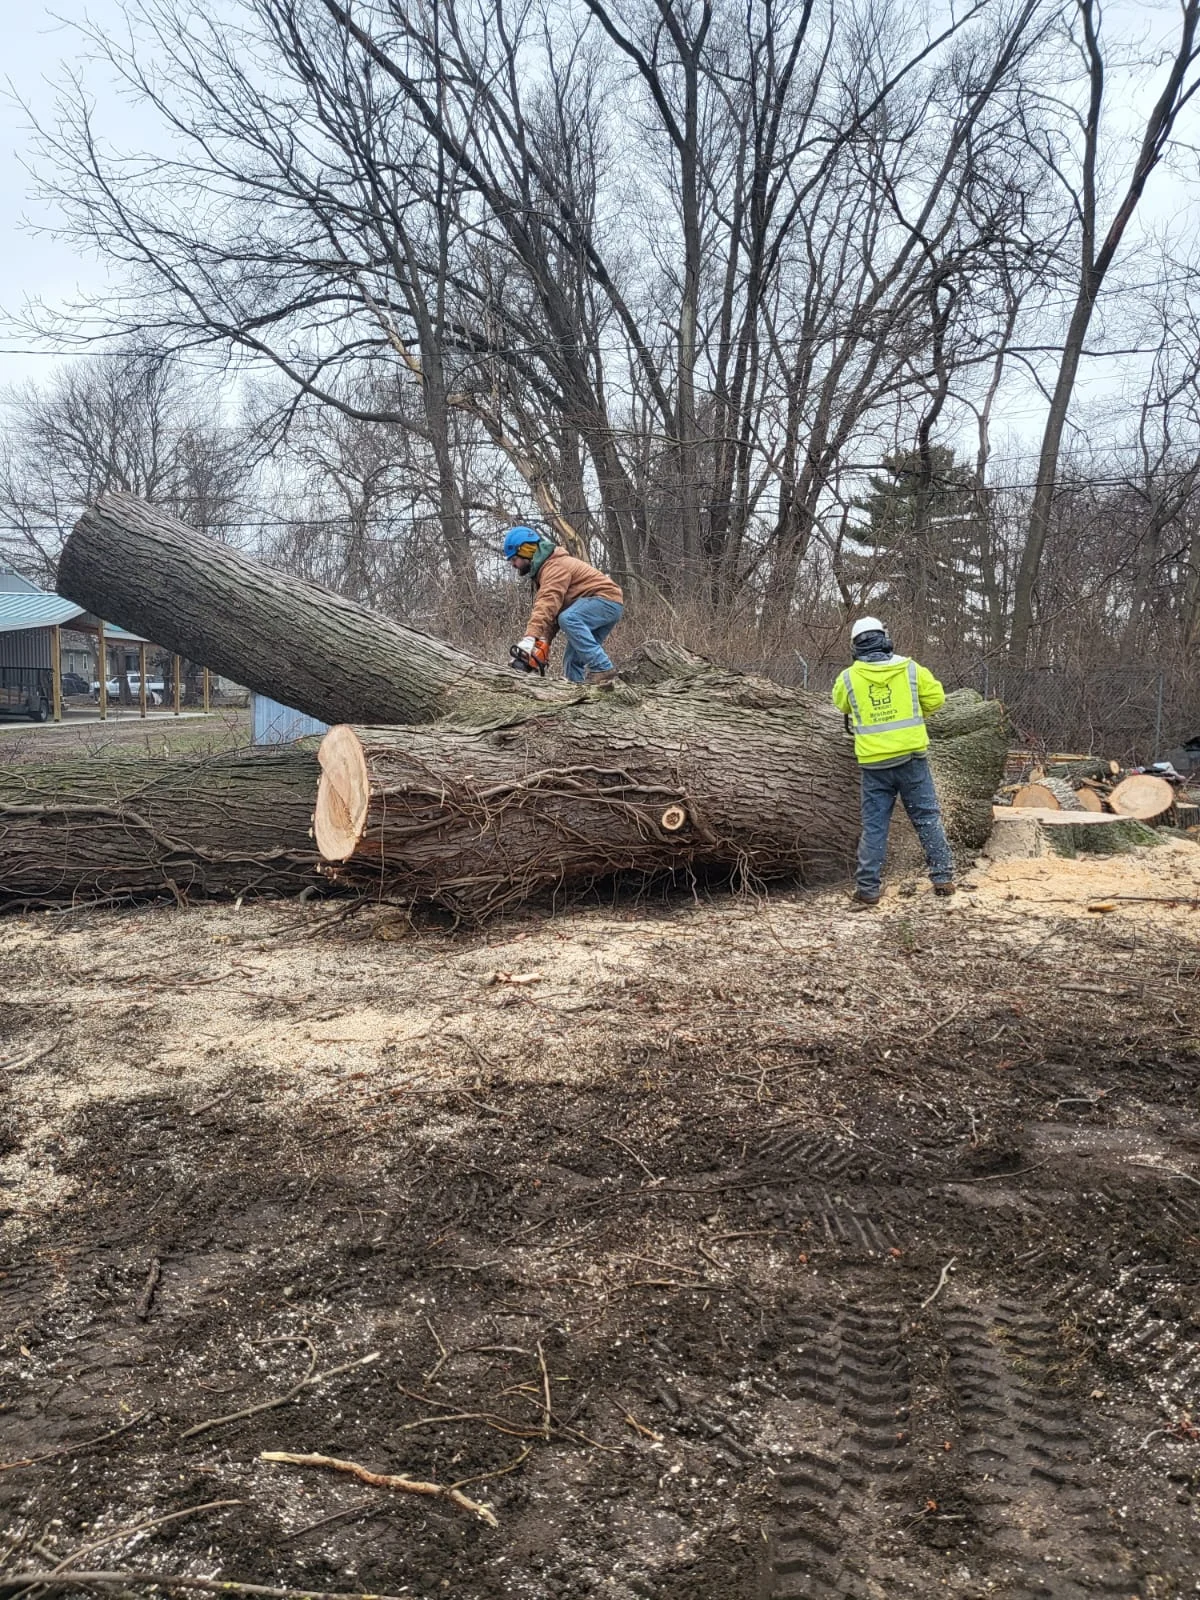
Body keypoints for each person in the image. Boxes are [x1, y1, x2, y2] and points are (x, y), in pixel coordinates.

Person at [831, 616, 956, 909]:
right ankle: (943, 878)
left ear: (855, 646)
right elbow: (936, 699)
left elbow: (841, 704)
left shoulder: (848, 678)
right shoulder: (911, 669)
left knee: (875, 826)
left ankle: (867, 890)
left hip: (874, 764)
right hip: (912, 759)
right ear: (885, 639)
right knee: (927, 817)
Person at [503, 526, 624, 684]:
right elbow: (553, 610)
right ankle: (577, 692)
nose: (513, 565)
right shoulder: (544, 570)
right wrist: (544, 640)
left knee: (568, 618)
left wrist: (529, 638)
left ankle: (603, 669)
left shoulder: (554, 566)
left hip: (606, 600)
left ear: (526, 550)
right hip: (599, 606)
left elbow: (547, 603)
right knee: (571, 660)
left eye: (514, 559)